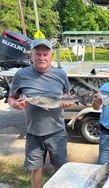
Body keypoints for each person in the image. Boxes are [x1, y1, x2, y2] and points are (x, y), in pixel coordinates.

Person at [8, 38, 73, 188]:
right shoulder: (21, 75)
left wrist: (67, 102)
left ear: (51, 55)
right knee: (36, 169)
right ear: (32, 55)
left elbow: (66, 95)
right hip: (33, 132)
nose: (41, 58)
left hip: (57, 132)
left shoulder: (61, 74)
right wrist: (15, 105)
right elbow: (12, 97)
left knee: (60, 168)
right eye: (38, 54)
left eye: (45, 54)